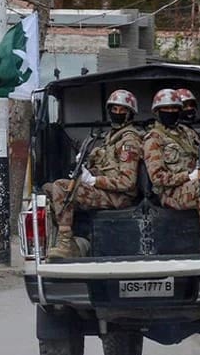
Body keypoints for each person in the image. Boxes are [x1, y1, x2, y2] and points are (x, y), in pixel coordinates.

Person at [44, 89, 143, 259]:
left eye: (122, 110)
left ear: (130, 114)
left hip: (120, 197)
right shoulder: (110, 139)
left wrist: (93, 180)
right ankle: (75, 239)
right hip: (107, 192)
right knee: (49, 188)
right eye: (114, 109)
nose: (117, 113)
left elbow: (128, 182)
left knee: (61, 187)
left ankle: (65, 244)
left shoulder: (129, 141)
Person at [143, 88, 200, 255]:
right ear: (158, 112)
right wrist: (188, 177)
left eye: (175, 109)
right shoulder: (154, 139)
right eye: (166, 109)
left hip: (196, 183)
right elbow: (157, 178)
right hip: (171, 193)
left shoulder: (187, 133)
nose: (171, 112)